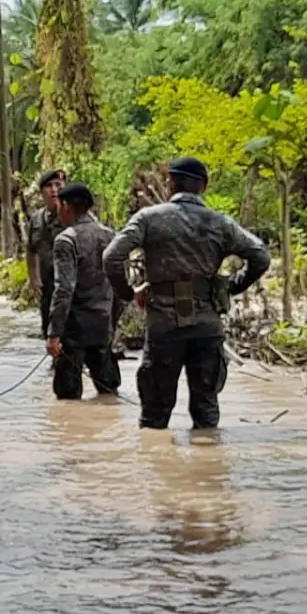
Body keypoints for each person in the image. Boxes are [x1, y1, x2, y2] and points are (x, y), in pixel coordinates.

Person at [103, 157, 271, 430]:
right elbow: (261, 256)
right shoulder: (221, 223)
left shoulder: (149, 218)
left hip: (164, 325)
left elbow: (111, 257)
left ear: (170, 184)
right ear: (202, 187)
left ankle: (156, 467)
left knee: (154, 415)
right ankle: (208, 466)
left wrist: (130, 292)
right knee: (206, 411)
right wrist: (231, 286)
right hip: (206, 323)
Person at [46, 183, 122, 400]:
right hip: (103, 326)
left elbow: (64, 289)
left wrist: (54, 334)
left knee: (67, 399)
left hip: (74, 332)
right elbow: (121, 286)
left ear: (67, 207)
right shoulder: (111, 236)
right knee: (109, 394)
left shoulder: (66, 240)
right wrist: (112, 323)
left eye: (59, 205)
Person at [26, 168, 66, 338]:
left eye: (58, 185)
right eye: (49, 186)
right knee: (48, 330)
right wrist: (33, 278)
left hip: (70, 285)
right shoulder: (36, 219)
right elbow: (30, 249)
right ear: (42, 191)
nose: (54, 190)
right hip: (47, 285)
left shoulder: (73, 216)